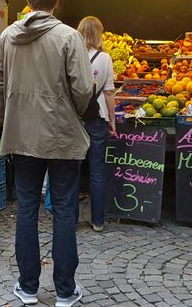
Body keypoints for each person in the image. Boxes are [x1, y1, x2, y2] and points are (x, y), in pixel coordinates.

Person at [0, 0, 94, 307]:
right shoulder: (69, 36)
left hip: (22, 135)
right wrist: (71, 112)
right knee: (64, 209)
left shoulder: (7, 37)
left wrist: (8, 119)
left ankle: (28, 286)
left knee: (26, 209)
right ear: (56, 1)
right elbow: (83, 88)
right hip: (62, 134)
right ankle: (65, 290)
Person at [76, 16, 116, 233]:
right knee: (97, 171)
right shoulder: (105, 58)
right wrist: (112, 119)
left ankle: (70, 220)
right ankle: (98, 221)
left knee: (72, 171)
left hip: (74, 120)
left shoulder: (70, 55)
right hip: (97, 119)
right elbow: (109, 92)